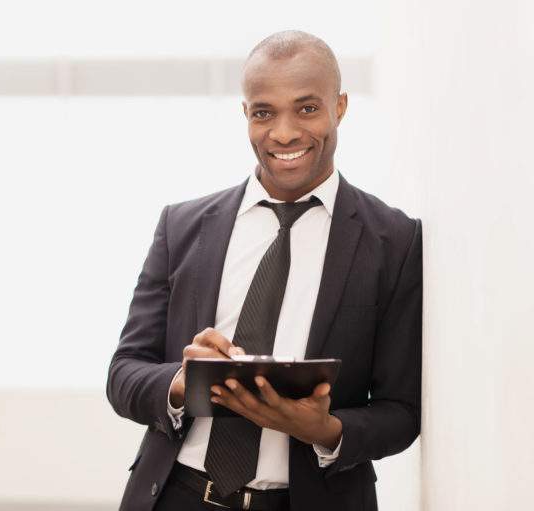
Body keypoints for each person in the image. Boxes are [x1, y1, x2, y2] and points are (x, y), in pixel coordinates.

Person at [106, 30, 421, 511]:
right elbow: (123, 373)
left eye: (307, 108)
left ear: (340, 107)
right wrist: (181, 381)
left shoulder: (394, 241)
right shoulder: (182, 226)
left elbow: (402, 411)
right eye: (264, 113)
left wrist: (326, 430)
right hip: (178, 496)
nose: (284, 133)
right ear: (246, 114)